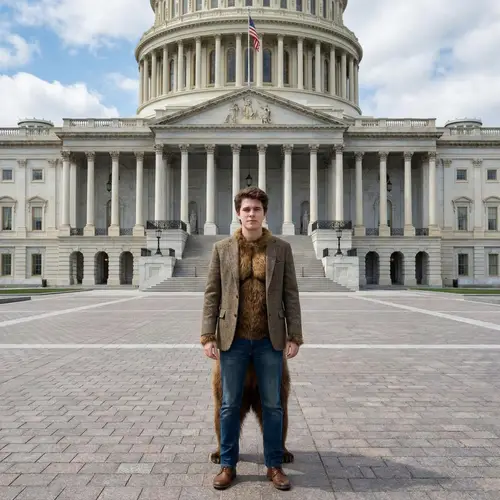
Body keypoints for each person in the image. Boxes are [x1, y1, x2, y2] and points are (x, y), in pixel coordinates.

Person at [200, 186, 304, 490]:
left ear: (265, 213)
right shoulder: (221, 249)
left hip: (268, 340)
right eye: (246, 209)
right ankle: (228, 464)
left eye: (256, 209)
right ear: (238, 213)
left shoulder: (280, 248)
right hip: (232, 340)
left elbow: (291, 295)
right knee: (229, 404)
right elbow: (212, 295)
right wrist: (208, 336)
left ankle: (274, 464)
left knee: (273, 404)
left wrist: (294, 335)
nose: (251, 214)